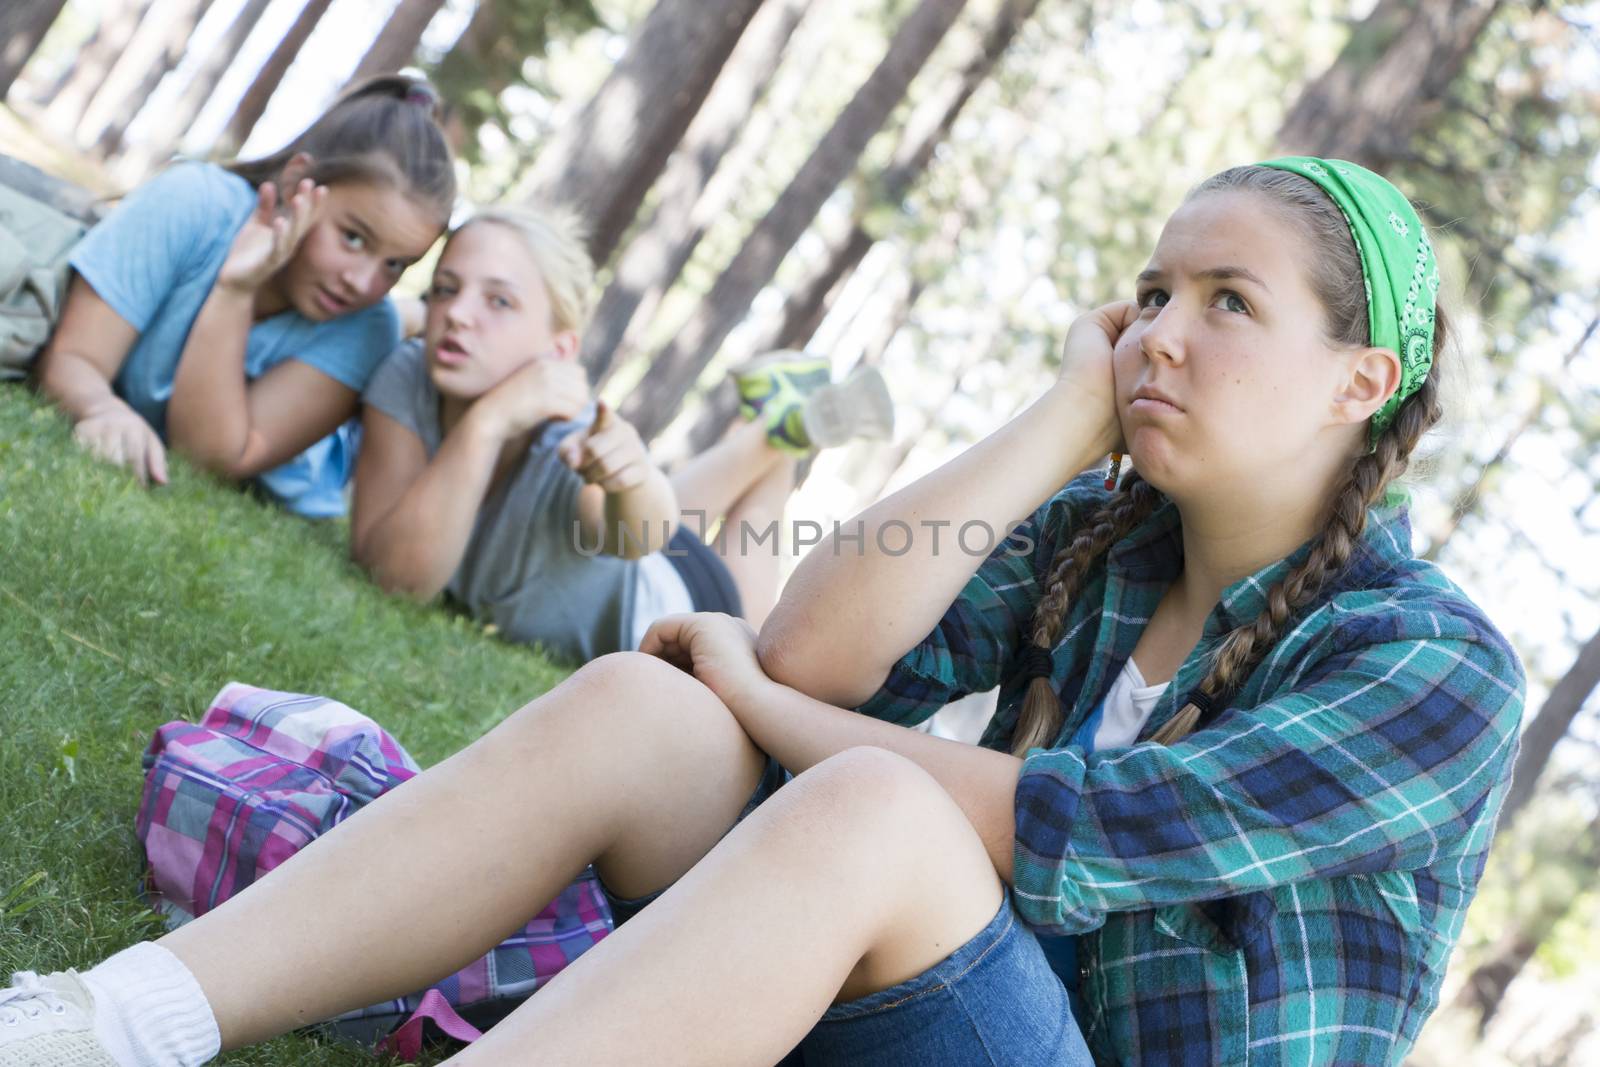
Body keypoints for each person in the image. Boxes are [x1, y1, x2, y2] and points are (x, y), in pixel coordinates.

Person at [0, 158, 1522, 1067]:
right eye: (1151, 292)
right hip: (934, 1013)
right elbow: (812, 650)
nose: (1157, 337)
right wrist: (1063, 419)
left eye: (1227, 302)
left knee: (867, 802)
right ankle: (115, 1019)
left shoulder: (1433, 664)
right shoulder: (1099, 540)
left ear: (1358, 381)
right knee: (652, 708)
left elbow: (1070, 827)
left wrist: (770, 700)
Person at [351, 205, 894, 660]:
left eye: (499, 301)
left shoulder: (572, 434)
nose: (458, 314)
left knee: (766, 656)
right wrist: (487, 424)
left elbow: (638, 533)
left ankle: (779, 437)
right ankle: (780, 427)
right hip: (641, 555)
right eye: (445, 289)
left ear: (558, 350)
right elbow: (397, 579)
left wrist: (630, 477)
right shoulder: (408, 376)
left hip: (689, 607)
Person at [35, 75, 454, 517]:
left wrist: (236, 291)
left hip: (312, 459)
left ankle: (413, 317)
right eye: (353, 238)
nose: (363, 283)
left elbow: (207, 456)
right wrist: (101, 408)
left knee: (389, 323)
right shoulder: (195, 202)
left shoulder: (368, 326)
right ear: (296, 186)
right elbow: (74, 357)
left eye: (396, 265)